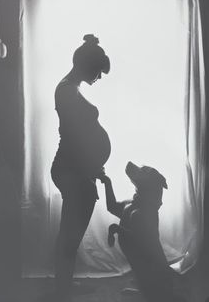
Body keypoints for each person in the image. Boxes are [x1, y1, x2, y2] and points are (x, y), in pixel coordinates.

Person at [51, 34, 111, 301]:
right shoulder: (66, 90)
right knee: (70, 234)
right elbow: (75, 137)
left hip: (77, 168)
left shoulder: (71, 88)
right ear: (86, 65)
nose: (99, 77)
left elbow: (82, 134)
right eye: (97, 71)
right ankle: (60, 289)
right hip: (71, 168)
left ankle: (64, 284)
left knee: (71, 233)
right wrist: (90, 165)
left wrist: (92, 165)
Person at [97, 161, 186, 302]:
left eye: (142, 171)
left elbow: (138, 241)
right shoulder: (133, 205)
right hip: (145, 269)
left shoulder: (142, 213)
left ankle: (150, 292)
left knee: (153, 287)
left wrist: (115, 228)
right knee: (142, 275)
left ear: (148, 185)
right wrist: (107, 182)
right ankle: (145, 289)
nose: (133, 166)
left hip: (155, 276)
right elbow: (112, 207)